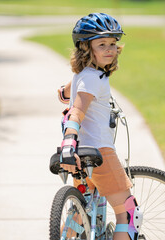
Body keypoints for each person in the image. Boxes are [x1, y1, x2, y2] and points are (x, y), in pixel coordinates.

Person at [57, 13, 142, 240]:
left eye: (113, 44)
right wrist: (69, 139)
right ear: (86, 49)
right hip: (101, 153)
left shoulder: (85, 75)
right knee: (128, 214)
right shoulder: (93, 79)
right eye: (101, 44)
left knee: (80, 211)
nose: (109, 49)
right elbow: (77, 110)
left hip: (81, 155)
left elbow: (66, 95)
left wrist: (66, 92)